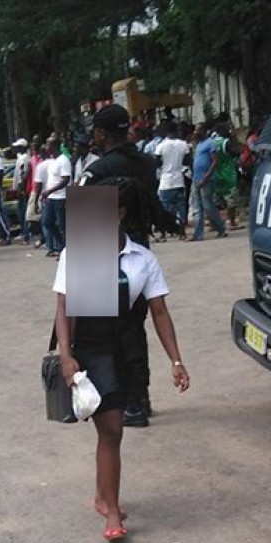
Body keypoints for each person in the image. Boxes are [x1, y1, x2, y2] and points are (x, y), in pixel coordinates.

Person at [52, 177, 190, 543]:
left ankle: (102, 494)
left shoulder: (142, 259)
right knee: (111, 429)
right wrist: (66, 357)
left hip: (127, 348)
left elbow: (159, 312)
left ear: (119, 213)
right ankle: (112, 510)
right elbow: (65, 309)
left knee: (113, 431)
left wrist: (176, 360)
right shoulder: (81, 252)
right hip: (91, 350)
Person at [78, 103, 182, 428]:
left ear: (101, 132)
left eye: (94, 129)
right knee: (135, 328)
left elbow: (83, 221)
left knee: (103, 334)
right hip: (139, 252)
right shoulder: (147, 163)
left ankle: (120, 399)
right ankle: (140, 399)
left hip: (102, 252)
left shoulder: (98, 170)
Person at [154, 121, 190, 241]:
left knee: (165, 209)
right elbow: (187, 160)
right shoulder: (183, 144)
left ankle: (164, 233)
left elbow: (157, 162)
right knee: (181, 207)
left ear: (165, 131)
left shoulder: (161, 145)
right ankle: (182, 232)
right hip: (179, 179)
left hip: (166, 180)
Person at [40, 135, 72, 257]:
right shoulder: (53, 161)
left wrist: (49, 191)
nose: (46, 147)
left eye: (48, 144)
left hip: (61, 197)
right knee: (47, 222)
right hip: (51, 198)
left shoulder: (64, 160)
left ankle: (66, 250)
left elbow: (65, 180)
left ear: (54, 146)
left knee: (63, 226)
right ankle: (62, 245)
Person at [212, 121, 243, 231]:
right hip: (228, 174)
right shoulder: (226, 142)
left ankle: (215, 223)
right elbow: (237, 152)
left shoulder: (212, 142)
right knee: (231, 200)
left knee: (217, 200)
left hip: (215, 174)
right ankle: (232, 222)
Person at [12, 138, 32, 244]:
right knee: (21, 213)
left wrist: (21, 189)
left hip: (23, 189)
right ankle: (25, 234)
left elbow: (24, 174)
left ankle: (26, 235)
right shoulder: (21, 158)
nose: (16, 148)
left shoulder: (24, 158)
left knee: (23, 213)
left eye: (18, 147)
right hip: (20, 188)